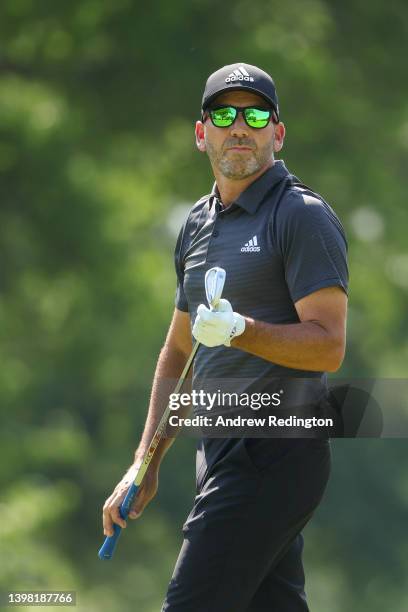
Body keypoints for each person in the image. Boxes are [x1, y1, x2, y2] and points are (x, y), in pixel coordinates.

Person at [102, 62, 348, 611]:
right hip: (217, 449)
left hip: (279, 447)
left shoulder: (301, 216)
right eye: (224, 114)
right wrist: (146, 461)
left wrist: (241, 331)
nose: (240, 127)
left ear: (277, 134)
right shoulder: (195, 224)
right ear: (201, 133)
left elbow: (330, 343)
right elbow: (178, 353)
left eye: (256, 114)